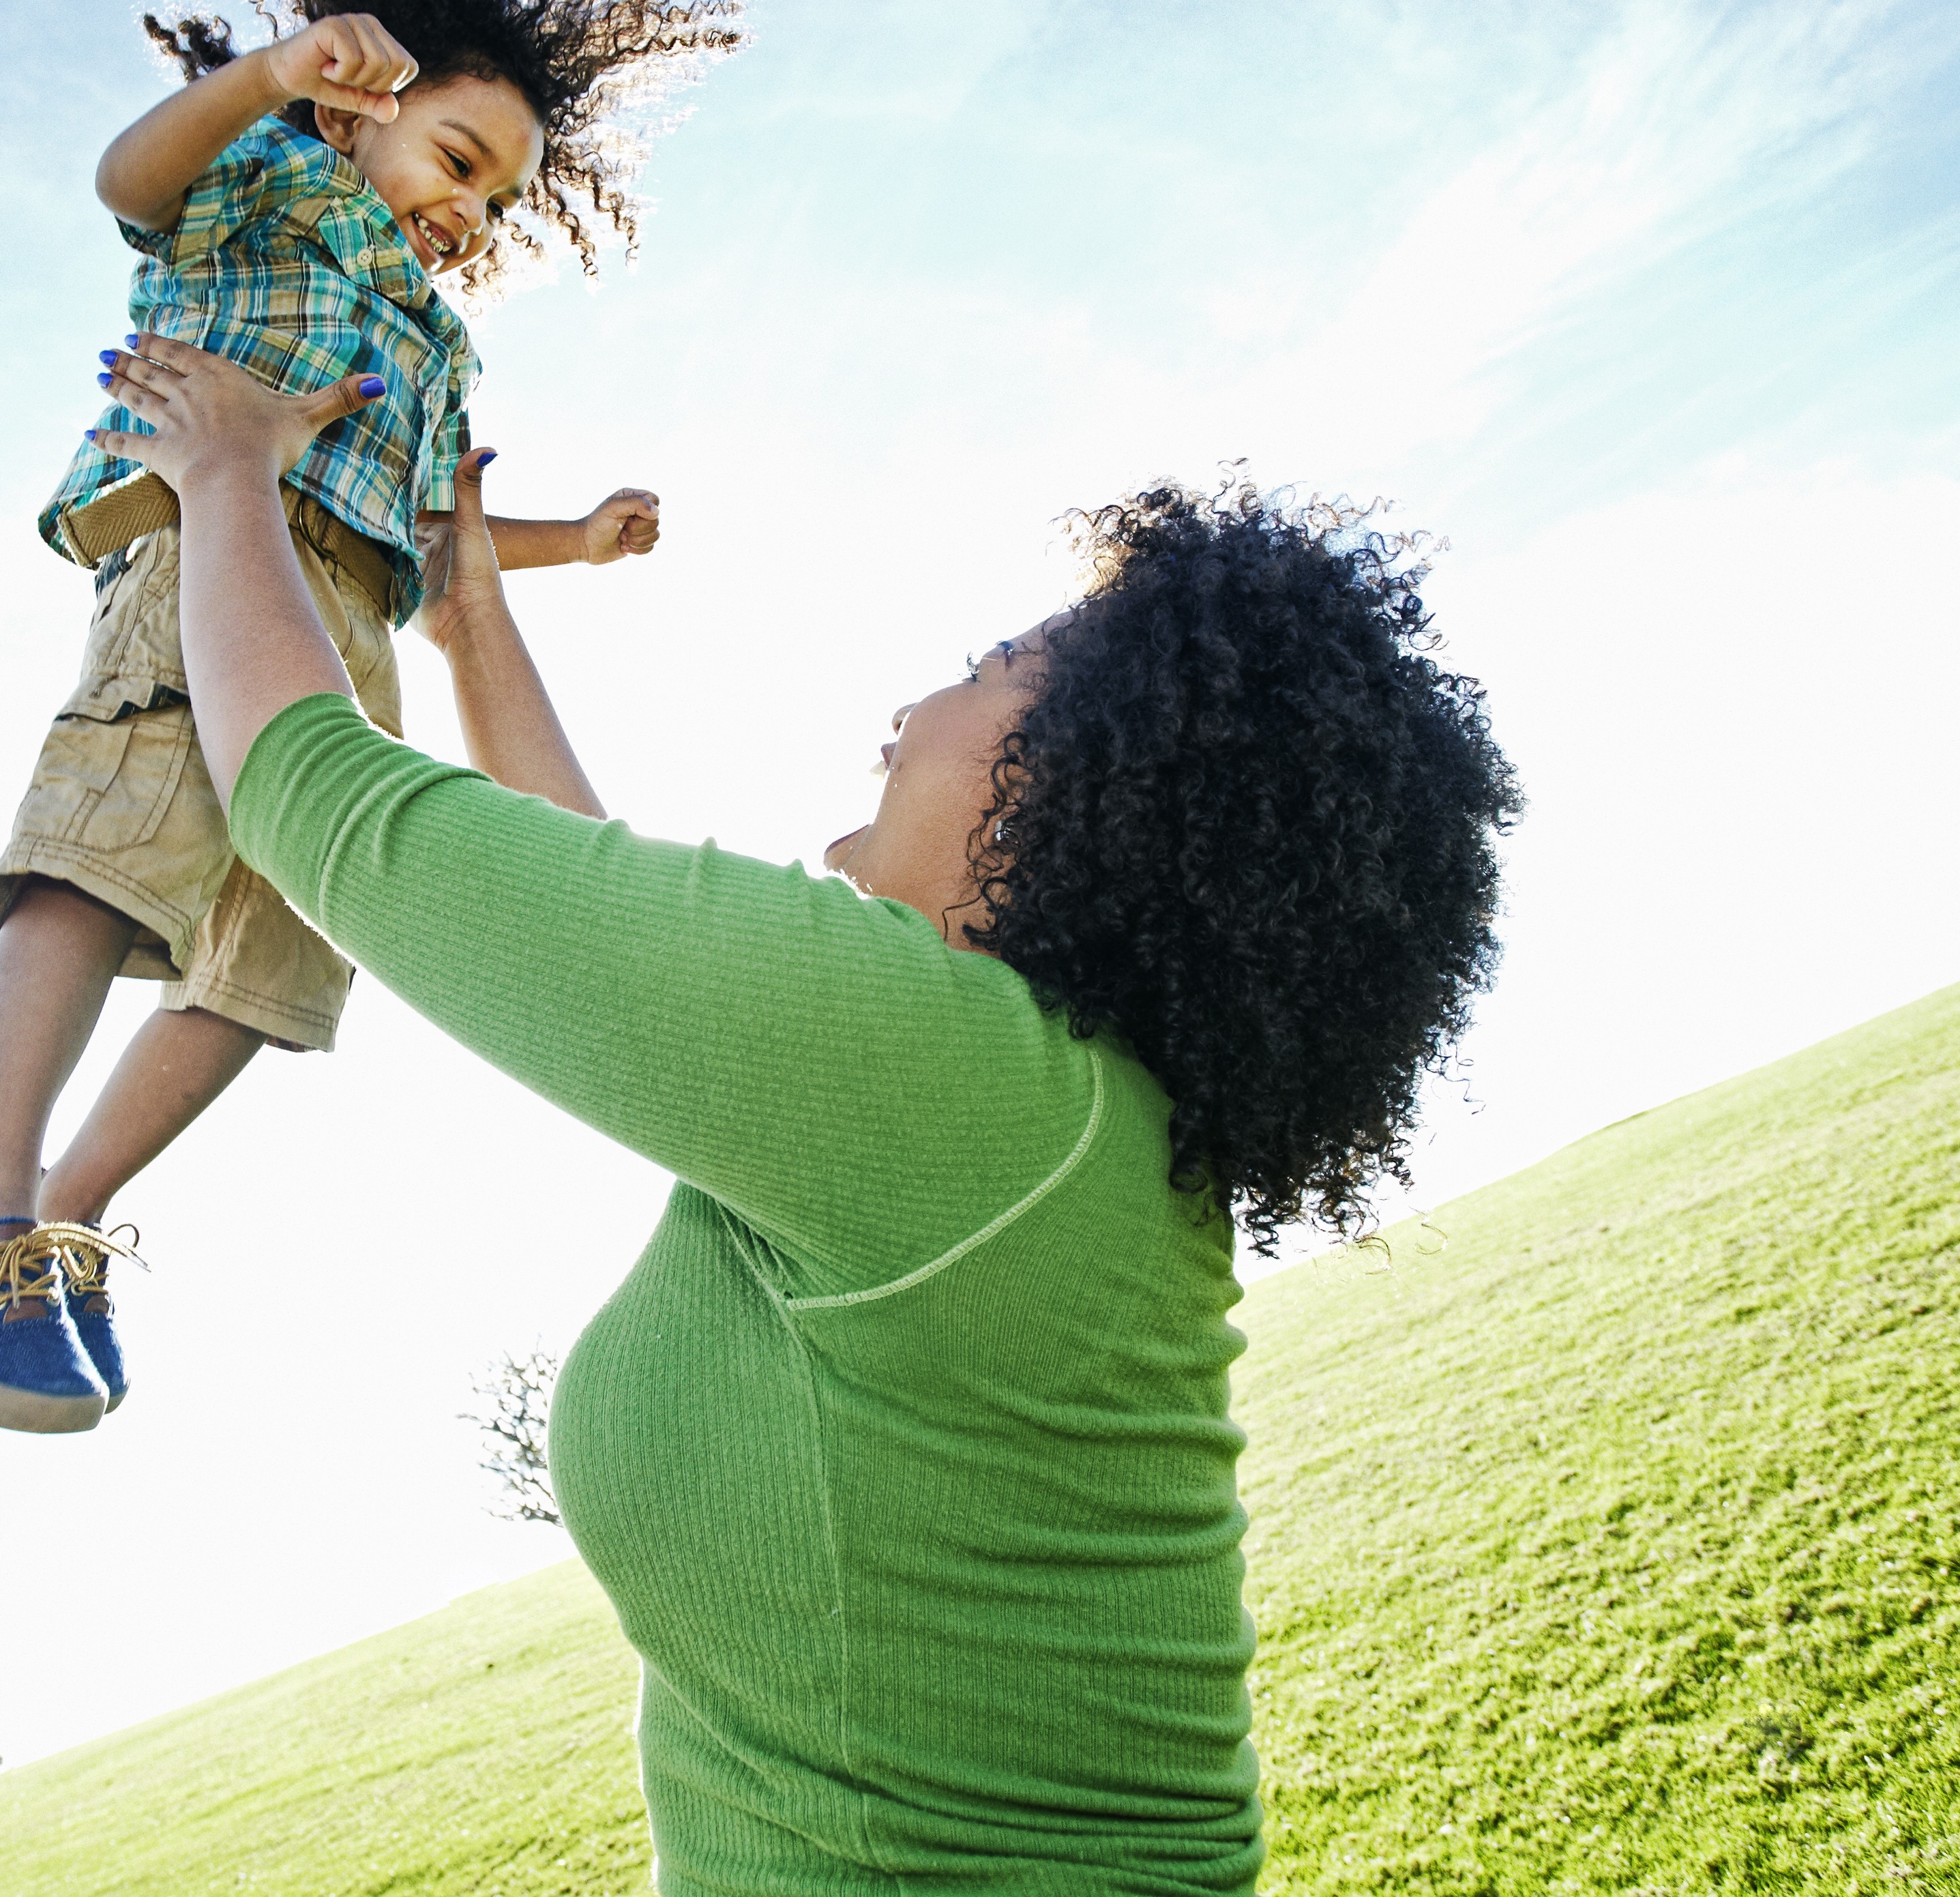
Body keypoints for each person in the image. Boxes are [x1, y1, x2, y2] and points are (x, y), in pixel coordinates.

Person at [83, 341, 1523, 1893]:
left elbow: (323, 802)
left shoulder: (961, 1076)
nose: (913, 702)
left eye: (985, 667)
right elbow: (593, 905)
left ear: (1086, 779)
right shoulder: (1040, 1096)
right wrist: (472, 621)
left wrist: (224, 466)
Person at [0, 0, 742, 1433]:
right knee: (119, 848)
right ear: (365, 107)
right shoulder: (269, 178)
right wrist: (271, 74)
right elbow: (127, 178)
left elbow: (441, 538)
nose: (471, 212)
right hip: (205, 542)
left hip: (346, 627)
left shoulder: (433, 345)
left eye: (500, 204)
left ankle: (60, 1223)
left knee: (286, 944)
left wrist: (578, 540)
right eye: (458, 159)